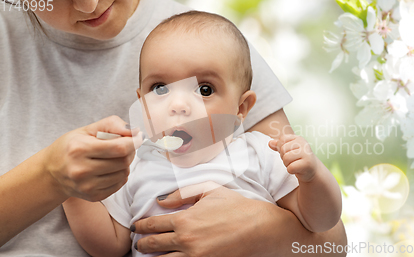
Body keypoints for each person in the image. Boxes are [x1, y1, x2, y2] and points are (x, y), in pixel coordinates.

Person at [0, 0, 347, 256]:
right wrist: (69, 189)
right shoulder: (135, 166)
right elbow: (110, 245)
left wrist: (310, 178)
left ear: (242, 108)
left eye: (205, 90)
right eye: (160, 89)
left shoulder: (258, 150)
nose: (91, 4)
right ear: (140, 102)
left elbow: (327, 236)